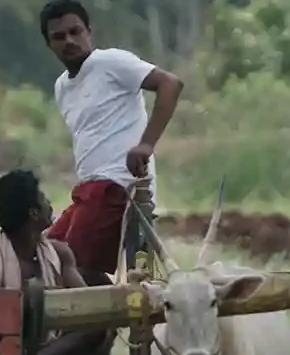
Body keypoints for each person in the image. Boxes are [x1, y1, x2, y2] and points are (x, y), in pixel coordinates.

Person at [39, 0, 184, 285]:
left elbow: (170, 84)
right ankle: (100, 317)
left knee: (72, 262)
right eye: (59, 36)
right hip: (87, 190)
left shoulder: (109, 62)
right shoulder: (62, 87)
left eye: (75, 31)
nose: (69, 41)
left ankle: (102, 325)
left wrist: (146, 145)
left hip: (118, 187)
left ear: (89, 31)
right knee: (44, 256)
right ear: (49, 44)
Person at [0, 169, 112, 355]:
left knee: (97, 326)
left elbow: (85, 307)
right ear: (34, 213)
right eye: (43, 198)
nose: (49, 203)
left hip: (52, 351)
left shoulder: (59, 253)